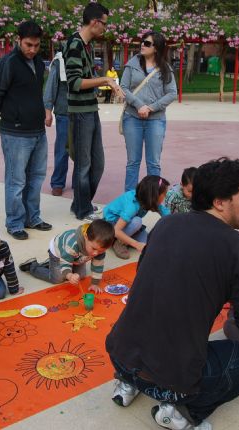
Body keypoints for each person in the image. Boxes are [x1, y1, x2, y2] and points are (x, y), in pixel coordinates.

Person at [106, 158, 239, 430]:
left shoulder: (166, 225)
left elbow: (144, 275)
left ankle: (126, 383)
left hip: (120, 354)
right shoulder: (237, 248)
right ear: (220, 202)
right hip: (169, 381)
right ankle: (181, 414)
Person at [0, 20, 52, 240]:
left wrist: (41, 111)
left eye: (36, 45)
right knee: (16, 181)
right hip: (15, 133)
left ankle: (32, 217)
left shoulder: (40, 64)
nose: (32, 50)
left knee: (36, 177)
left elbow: (35, 93)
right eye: (28, 45)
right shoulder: (7, 63)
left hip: (37, 131)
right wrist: (13, 114)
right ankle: (15, 222)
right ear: (18, 40)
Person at [65, 2, 124, 221]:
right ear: (94, 22)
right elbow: (74, 82)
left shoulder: (86, 44)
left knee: (97, 163)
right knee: (84, 165)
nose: (105, 28)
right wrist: (106, 80)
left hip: (90, 109)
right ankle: (82, 210)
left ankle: (81, 203)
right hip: (80, 112)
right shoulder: (74, 44)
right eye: (104, 24)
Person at [121, 31, 177, 191]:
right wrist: (139, 105)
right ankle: (130, 197)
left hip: (156, 120)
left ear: (157, 48)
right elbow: (123, 87)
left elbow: (172, 92)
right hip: (132, 118)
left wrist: (151, 108)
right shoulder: (132, 64)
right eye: (142, 42)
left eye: (147, 43)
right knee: (133, 162)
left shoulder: (165, 68)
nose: (142, 45)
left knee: (154, 163)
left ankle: (154, 196)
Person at [19, 219, 115, 293]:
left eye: (100, 251)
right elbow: (65, 262)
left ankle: (50, 264)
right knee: (58, 279)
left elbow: (98, 265)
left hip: (76, 257)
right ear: (86, 237)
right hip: (59, 253)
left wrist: (95, 284)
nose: (95, 253)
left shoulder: (99, 247)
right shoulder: (72, 244)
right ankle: (32, 266)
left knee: (80, 276)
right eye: (94, 249)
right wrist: (69, 275)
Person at [103, 175, 170, 260]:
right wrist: (136, 244)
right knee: (137, 222)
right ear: (155, 195)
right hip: (111, 226)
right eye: (164, 194)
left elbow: (168, 216)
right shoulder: (132, 206)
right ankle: (118, 242)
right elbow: (116, 230)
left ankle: (126, 238)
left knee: (150, 244)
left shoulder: (148, 199)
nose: (165, 196)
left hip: (127, 224)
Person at [43, 48, 70, 197]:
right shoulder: (59, 61)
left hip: (82, 112)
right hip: (64, 111)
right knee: (62, 149)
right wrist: (48, 111)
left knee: (82, 151)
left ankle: (80, 182)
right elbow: (51, 87)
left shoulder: (85, 58)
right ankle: (58, 182)